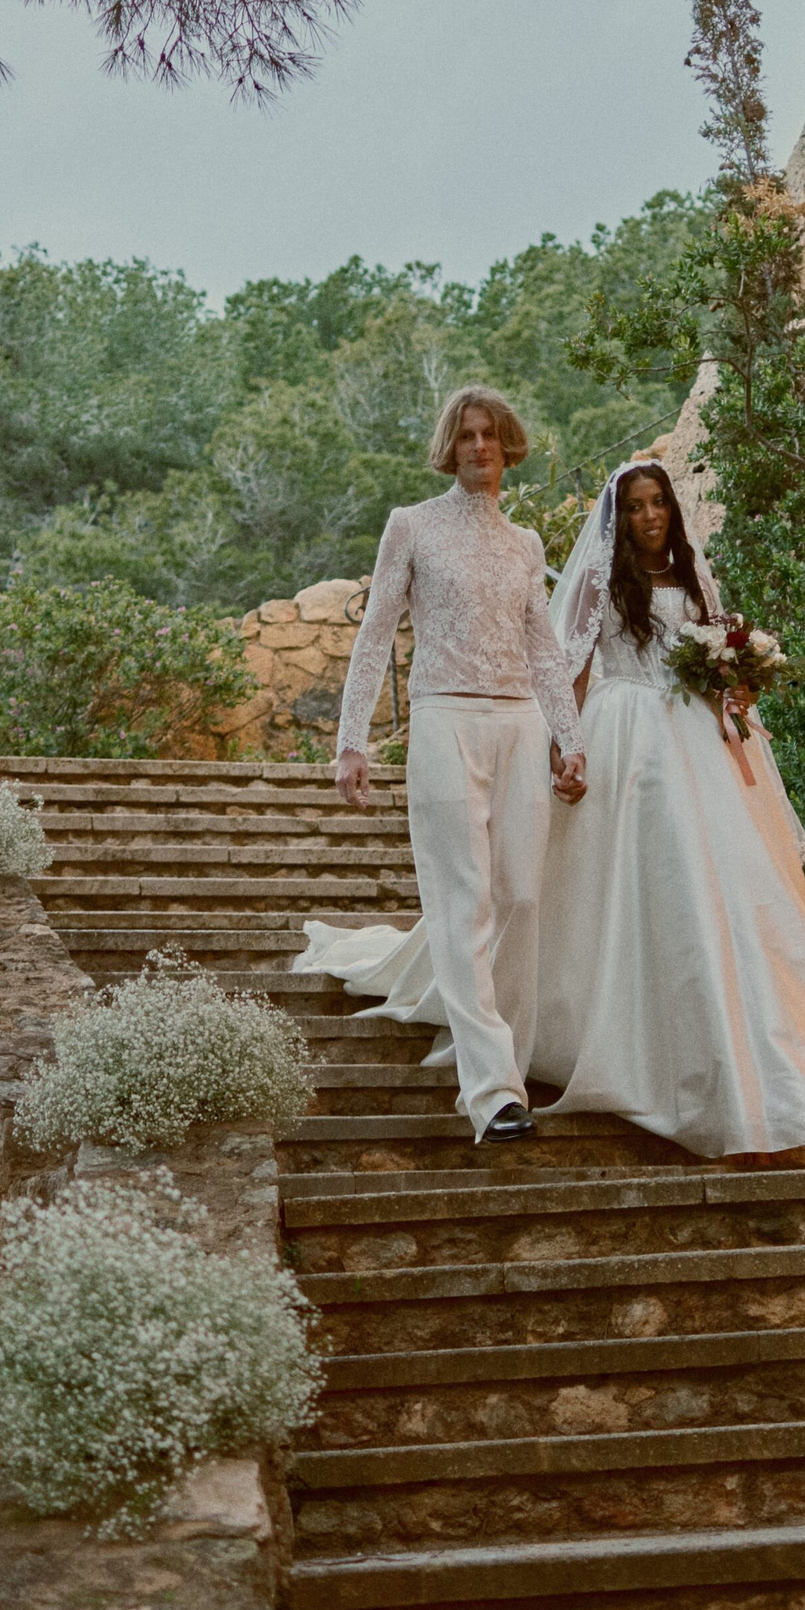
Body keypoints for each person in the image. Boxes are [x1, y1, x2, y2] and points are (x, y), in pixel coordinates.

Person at [527, 461, 805, 1162]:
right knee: (658, 889)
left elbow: (715, 652)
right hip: (630, 737)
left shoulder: (694, 579)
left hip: (700, 742)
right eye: (634, 507)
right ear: (617, 518)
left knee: (741, 896)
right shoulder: (602, 580)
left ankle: (772, 1078)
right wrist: (564, 747)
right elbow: (570, 666)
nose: (650, 516)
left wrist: (737, 685)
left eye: (659, 503)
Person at [303, 385, 587, 1144]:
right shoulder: (413, 526)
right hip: (443, 719)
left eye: (491, 434)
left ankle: (508, 1060)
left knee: (522, 897)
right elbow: (375, 635)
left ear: (510, 444)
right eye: (466, 435)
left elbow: (545, 651)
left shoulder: (526, 543)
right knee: (464, 902)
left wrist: (572, 738)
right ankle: (493, 1092)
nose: (480, 447)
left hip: (519, 724)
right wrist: (351, 739)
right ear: (449, 447)